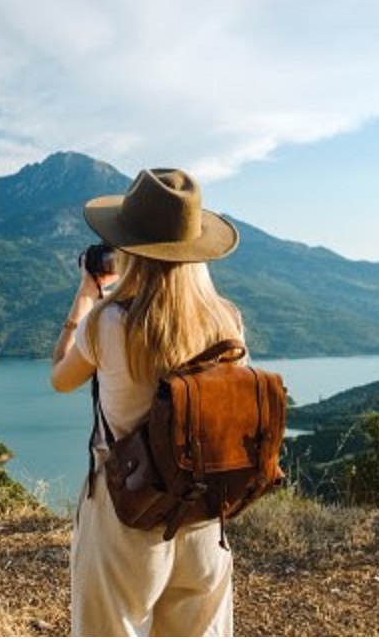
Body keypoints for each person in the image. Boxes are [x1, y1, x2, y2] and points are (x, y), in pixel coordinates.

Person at [51, 167, 245, 636]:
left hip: (126, 515)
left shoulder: (108, 322)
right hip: (201, 517)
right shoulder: (227, 322)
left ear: (128, 248)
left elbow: (61, 377)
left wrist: (85, 295)